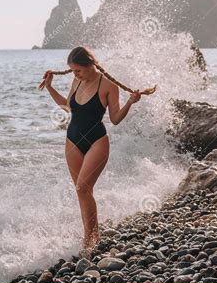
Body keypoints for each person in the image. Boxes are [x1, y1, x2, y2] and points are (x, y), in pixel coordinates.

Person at [41, 46, 156, 255]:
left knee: (83, 188)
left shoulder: (108, 85)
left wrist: (130, 102)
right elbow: (68, 107)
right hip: (72, 140)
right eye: (73, 71)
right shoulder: (77, 81)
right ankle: (92, 234)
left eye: (78, 70)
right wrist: (49, 87)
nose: (75, 74)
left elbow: (115, 119)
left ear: (90, 65)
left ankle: (90, 241)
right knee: (82, 191)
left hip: (97, 141)